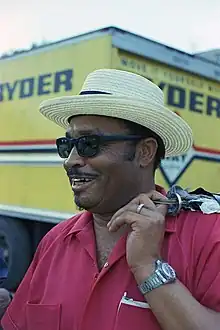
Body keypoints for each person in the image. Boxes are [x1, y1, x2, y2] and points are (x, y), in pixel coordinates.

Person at [2, 69, 220, 330]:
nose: (70, 160)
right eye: (66, 146)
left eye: (89, 144)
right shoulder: (54, 242)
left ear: (145, 152)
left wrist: (149, 268)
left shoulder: (208, 237)